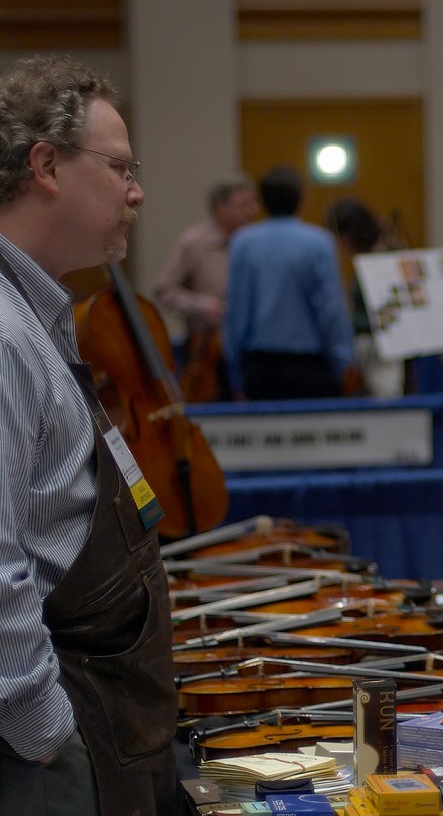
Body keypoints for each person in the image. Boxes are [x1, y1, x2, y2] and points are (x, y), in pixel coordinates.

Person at [0, 54, 177, 815]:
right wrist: (48, 734)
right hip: (46, 752)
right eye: (119, 167)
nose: (136, 192)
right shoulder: (5, 334)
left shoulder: (43, 313)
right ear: (45, 164)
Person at [222, 164, 354, 400]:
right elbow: (331, 308)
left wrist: (235, 368)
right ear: (301, 199)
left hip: (258, 365)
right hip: (309, 366)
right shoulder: (319, 243)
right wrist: (341, 361)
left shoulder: (243, 242)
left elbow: (237, 310)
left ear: (261, 202)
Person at [152, 175, 259, 400]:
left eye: (253, 204)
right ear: (221, 208)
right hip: (208, 349)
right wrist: (202, 305)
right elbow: (164, 289)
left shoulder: (256, 244)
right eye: (244, 205)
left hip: (252, 350)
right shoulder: (194, 242)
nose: (253, 211)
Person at [325, 196, 406, 398]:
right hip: (367, 349)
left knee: (386, 397)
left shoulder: (380, 261)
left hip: (379, 348)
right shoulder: (367, 259)